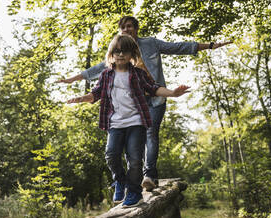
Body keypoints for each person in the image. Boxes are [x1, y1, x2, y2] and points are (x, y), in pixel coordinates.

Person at [57, 16, 231, 191]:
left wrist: (209, 45)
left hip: (155, 98)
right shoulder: (119, 50)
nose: (126, 30)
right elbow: (97, 69)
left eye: (130, 26)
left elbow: (178, 47)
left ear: (136, 28)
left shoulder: (151, 44)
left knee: (151, 133)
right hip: (133, 103)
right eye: (123, 27)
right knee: (130, 142)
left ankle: (149, 175)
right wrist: (72, 79)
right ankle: (132, 178)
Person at [63, 34, 190, 207]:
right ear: (111, 54)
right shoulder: (106, 75)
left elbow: (154, 89)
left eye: (125, 51)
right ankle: (120, 181)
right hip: (115, 124)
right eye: (117, 51)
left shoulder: (138, 73)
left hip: (136, 122)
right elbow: (95, 94)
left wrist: (173, 93)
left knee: (135, 159)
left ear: (132, 54)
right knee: (111, 155)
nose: (121, 54)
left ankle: (134, 192)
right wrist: (80, 99)